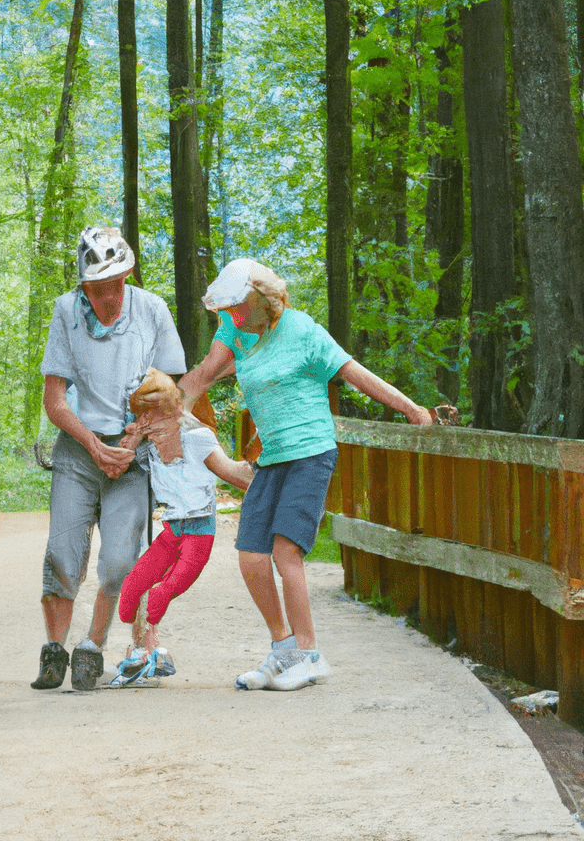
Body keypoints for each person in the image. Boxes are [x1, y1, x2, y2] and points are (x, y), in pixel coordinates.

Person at [179, 258, 448, 692]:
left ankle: (310, 654)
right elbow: (200, 378)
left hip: (310, 453)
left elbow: (357, 376)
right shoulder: (233, 329)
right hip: (272, 458)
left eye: (237, 308)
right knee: (251, 555)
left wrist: (414, 411)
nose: (231, 317)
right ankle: (283, 650)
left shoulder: (303, 331)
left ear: (263, 301)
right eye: (225, 310)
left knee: (286, 551)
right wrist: (169, 417)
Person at [31, 227, 187, 691]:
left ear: (128, 277)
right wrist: (94, 446)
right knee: (62, 553)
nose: (108, 299)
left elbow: (170, 390)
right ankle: (54, 651)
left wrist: (129, 442)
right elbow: (55, 400)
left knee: (121, 563)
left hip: (131, 455)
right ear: (83, 288)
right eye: (97, 291)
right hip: (79, 452)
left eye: (115, 286)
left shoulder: (153, 310)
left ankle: (91, 647)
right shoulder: (65, 312)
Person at [107, 367, 254, 686]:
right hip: (171, 526)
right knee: (136, 578)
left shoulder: (196, 436)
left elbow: (234, 473)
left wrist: (277, 483)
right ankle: (146, 649)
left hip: (196, 528)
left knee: (164, 584)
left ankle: (147, 648)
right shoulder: (148, 441)